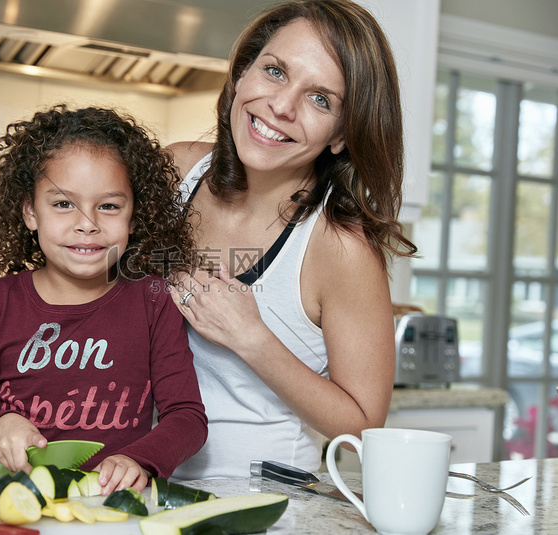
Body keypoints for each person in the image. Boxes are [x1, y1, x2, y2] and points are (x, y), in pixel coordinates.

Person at [168, 0, 417, 479]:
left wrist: (252, 339)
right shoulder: (175, 171)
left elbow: (365, 426)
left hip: (262, 506)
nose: (281, 106)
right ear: (242, 74)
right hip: (134, 483)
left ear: (342, 135)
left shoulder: (339, 248)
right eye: (275, 71)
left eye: (320, 99)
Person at [0, 104, 207, 495]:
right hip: (21, 509)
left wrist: (140, 459)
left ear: (134, 218)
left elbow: (187, 418)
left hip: (112, 511)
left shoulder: (152, 300)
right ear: (31, 211)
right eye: (63, 204)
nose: (88, 224)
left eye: (110, 206)